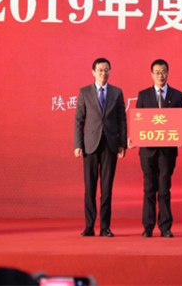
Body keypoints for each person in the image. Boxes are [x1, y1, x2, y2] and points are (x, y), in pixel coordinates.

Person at [130, 59, 182, 238]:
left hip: (167, 151)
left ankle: (165, 227)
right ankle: (148, 227)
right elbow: (138, 121)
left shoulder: (177, 95)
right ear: (151, 74)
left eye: (163, 72)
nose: (160, 75)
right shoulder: (143, 95)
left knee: (164, 188)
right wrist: (134, 137)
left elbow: (180, 122)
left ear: (168, 73)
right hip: (147, 150)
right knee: (148, 188)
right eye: (157, 72)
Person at [74, 58, 127, 237]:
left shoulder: (117, 92)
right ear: (93, 72)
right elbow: (79, 120)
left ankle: (105, 227)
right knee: (90, 188)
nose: (104, 73)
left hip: (110, 145)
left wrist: (122, 144)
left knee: (106, 188)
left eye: (106, 70)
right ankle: (89, 226)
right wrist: (78, 144)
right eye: (100, 70)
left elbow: (122, 120)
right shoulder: (84, 92)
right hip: (90, 145)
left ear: (110, 71)